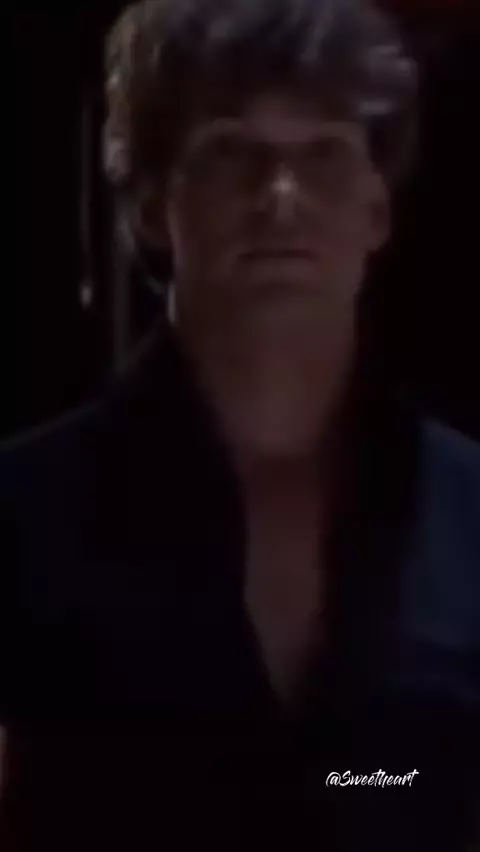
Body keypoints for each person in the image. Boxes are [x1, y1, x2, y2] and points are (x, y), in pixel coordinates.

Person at [1, 0, 479, 849]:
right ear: (153, 206)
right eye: (230, 153)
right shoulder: (22, 513)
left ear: (376, 208)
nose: (280, 195)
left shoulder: (470, 512)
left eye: (323, 153)